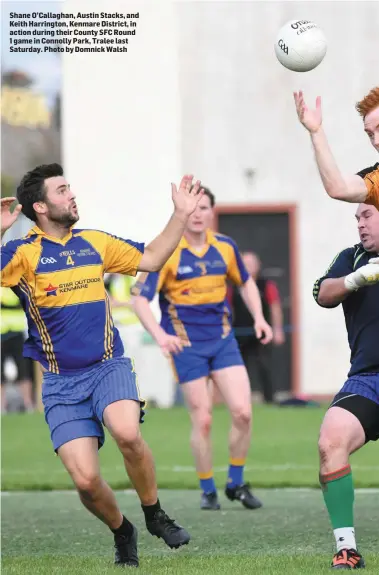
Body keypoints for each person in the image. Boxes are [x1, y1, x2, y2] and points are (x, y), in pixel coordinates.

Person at [0, 164, 204, 568]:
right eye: (62, 190)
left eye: (69, 187)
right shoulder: (22, 253)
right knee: (87, 482)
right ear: (40, 206)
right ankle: (122, 530)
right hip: (60, 382)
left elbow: (152, 256)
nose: (71, 194)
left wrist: (180, 214)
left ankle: (154, 513)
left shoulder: (94, 242)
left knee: (128, 432)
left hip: (108, 366)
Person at [131, 187, 273, 511]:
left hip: (222, 341)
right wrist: (159, 335)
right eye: (192, 207)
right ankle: (208, 489)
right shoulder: (168, 251)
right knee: (204, 419)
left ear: (212, 211)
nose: (197, 213)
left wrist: (260, 318)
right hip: (186, 346)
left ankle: (235, 483)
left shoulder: (224, 246)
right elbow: (139, 299)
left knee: (243, 412)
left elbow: (246, 281)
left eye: (204, 207)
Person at [313, 202, 379, 569]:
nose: (360, 224)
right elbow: (323, 293)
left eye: (367, 215)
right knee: (330, 440)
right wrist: (359, 278)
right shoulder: (351, 258)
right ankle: (346, 547)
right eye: (357, 218)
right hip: (368, 380)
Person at [294, 86, 379, 208]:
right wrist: (316, 131)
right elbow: (339, 188)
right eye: (370, 134)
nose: (376, 141)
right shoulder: (376, 181)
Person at [230, 251, 285, 404]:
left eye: (251, 264)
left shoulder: (266, 285)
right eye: (245, 264)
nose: (248, 267)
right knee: (240, 368)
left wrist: (277, 330)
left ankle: (269, 399)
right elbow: (228, 309)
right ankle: (240, 400)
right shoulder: (233, 286)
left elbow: (275, 307)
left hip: (262, 332)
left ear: (258, 266)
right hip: (239, 332)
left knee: (264, 365)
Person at [1, 286, 35, 413]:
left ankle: (28, 404)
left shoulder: (15, 284)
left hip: (17, 332)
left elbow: (20, 300)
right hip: (1, 333)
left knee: (24, 370)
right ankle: (1, 407)